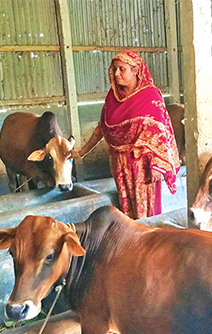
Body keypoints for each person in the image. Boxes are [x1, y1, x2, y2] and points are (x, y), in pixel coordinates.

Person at [73, 51, 180, 219]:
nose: (116, 74)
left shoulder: (150, 95)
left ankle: (149, 243)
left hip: (143, 165)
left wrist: (157, 166)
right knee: (127, 212)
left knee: (146, 212)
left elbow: (161, 132)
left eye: (122, 69)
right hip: (119, 163)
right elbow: (102, 129)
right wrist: (81, 152)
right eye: (115, 69)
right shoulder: (113, 97)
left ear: (135, 70)